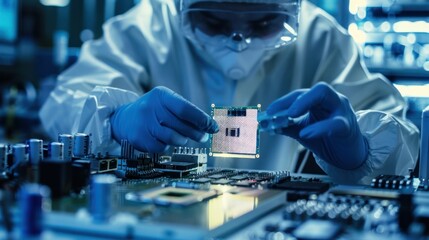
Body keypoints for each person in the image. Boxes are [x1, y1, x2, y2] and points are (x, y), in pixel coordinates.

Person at [39, 0, 419, 184]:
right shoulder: (145, 29)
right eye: (214, 20)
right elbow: (65, 103)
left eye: (264, 22)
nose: (239, 41)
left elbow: (399, 139)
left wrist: (363, 151)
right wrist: (115, 120)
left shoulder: (320, 39)